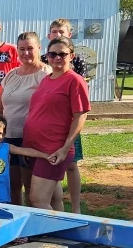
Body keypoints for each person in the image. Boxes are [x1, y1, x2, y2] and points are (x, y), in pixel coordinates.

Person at [23, 36, 90, 211]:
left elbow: (80, 116)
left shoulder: (74, 81)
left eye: (62, 54)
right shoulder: (47, 79)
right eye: (53, 54)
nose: (57, 58)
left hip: (54, 149)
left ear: (72, 56)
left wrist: (65, 148)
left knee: (37, 199)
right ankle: (59, 233)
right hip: (37, 148)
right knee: (53, 198)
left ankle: (55, 234)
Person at [0, 31, 50, 206]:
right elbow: (0, 107)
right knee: (13, 184)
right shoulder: (11, 75)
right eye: (22, 49)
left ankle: (33, 223)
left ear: (39, 48)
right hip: (9, 137)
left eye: (30, 48)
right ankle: (17, 222)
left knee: (30, 186)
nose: (25, 53)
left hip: (30, 138)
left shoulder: (45, 74)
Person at [41, 18, 87, 213]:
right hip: (49, 127)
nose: (57, 34)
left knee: (71, 165)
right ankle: (57, 203)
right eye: (54, 31)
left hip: (68, 123)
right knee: (53, 166)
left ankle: (76, 208)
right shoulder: (46, 62)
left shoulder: (76, 63)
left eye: (61, 32)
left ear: (69, 34)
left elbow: (80, 105)